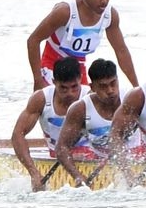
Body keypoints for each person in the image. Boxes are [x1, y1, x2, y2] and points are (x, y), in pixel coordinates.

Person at [25, 0, 138, 90]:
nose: (104, 1)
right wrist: (38, 80)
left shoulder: (110, 16)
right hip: (52, 67)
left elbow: (121, 51)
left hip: (79, 71)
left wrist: (136, 87)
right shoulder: (65, 12)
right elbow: (33, 40)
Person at [11, 56, 85, 192]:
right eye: (63, 88)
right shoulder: (41, 99)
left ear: (81, 79)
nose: (70, 93)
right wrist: (33, 172)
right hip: (55, 156)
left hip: (89, 155)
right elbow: (17, 134)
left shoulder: (91, 97)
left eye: (74, 87)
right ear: (54, 82)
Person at [51, 57, 125, 187]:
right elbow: (61, 148)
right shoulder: (80, 108)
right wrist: (78, 176)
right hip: (99, 162)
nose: (110, 91)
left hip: (133, 159)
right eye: (103, 86)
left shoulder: (132, 100)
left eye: (113, 83)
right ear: (93, 87)